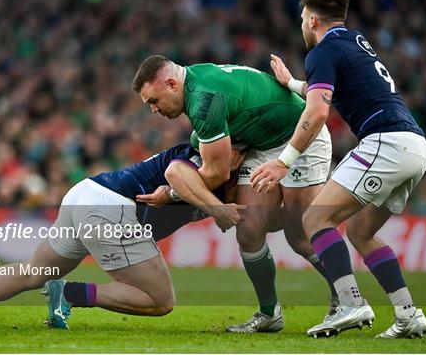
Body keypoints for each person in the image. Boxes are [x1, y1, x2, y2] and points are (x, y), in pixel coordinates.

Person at [250, 0, 426, 339]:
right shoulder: (355, 41)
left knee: (315, 217)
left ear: (312, 19)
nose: (302, 25)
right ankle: (409, 314)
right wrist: (291, 82)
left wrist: (283, 162)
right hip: (415, 146)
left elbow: (317, 111)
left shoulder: (322, 50)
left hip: (385, 141)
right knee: (362, 233)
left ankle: (349, 303)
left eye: (303, 19)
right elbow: (325, 92)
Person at [0, 143, 243, 329]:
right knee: (160, 301)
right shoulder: (201, 166)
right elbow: (176, 183)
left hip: (85, 194)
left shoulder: (215, 165)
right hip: (112, 207)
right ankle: (69, 294)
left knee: (33, 271)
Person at [132, 57, 337, 332]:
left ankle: (347, 297)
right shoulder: (196, 84)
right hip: (260, 146)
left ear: (171, 84)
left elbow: (217, 174)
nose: (154, 110)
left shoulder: (204, 99)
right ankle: (269, 314)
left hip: (300, 137)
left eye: (153, 101)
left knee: (299, 235)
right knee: (249, 230)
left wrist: (171, 194)